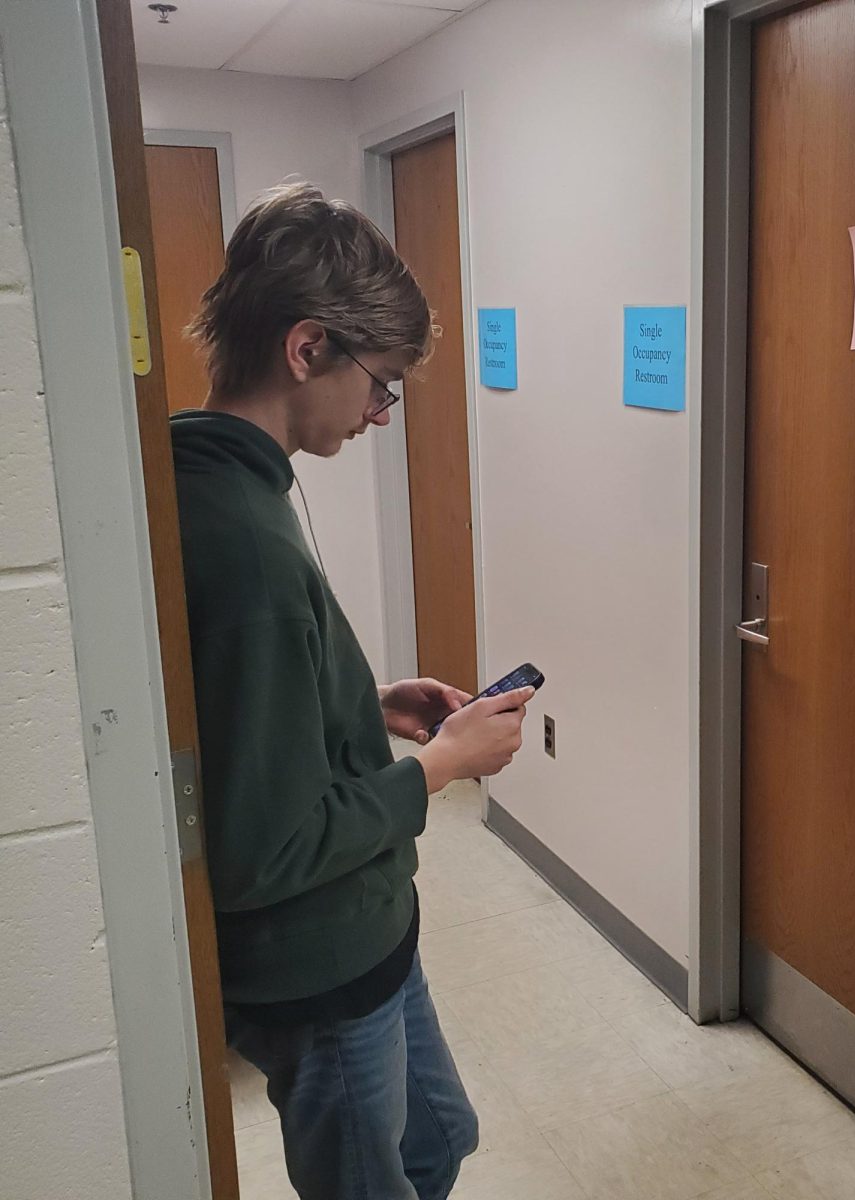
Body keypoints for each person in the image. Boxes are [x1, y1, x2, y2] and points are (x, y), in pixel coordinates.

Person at [170, 181, 529, 1200]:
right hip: (316, 971)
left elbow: (241, 704)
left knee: (438, 1139)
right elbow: (265, 847)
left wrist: (360, 702)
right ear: (306, 348)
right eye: (381, 385)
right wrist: (443, 767)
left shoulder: (223, 487)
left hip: (369, 932)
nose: (381, 413)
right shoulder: (243, 542)